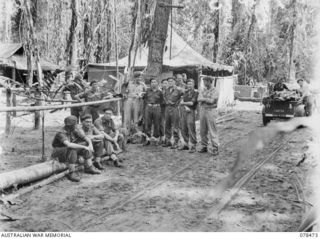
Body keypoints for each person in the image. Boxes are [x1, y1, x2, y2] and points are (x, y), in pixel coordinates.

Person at [51, 116, 101, 182]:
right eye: (72, 125)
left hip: (68, 151)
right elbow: (69, 144)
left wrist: (90, 145)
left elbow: (85, 137)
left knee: (86, 143)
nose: (74, 126)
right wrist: (84, 147)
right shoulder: (61, 133)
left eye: (74, 125)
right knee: (72, 148)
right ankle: (71, 172)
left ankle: (89, 167)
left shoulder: (74, 130)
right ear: (67, 125)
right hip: (58, 152)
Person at [198, 76, 219, 155]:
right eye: (204, 81)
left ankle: (215, 147)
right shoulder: (202, 90)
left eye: (206, 81)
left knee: (212, 129)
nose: (204, 83)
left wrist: (204, 99)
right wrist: (206, 99)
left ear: (210, 82)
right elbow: (199, 99)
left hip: (211, 110)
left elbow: (212, 101)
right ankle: (204, 146)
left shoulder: (215, 90)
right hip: (203, 110)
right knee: (202, 130)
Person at [123, 71, 147, 136]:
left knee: (136, 117)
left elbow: (146, 93)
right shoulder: (129, 83)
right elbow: (123, 90)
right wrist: (125, 95)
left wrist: (142, 94)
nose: (140, 78)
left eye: (141, 77)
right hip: (129, 100)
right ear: (135, 77)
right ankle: (127, 134)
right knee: (128, 117)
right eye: (139, 77)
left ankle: (136, 134)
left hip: (138, 101)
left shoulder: (143, 85)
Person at [163, 77, 183, 149]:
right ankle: (168, 141)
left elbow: (183, 97)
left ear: (174, 82)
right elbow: (164, 97)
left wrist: (177, 103)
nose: (170, 82)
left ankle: (176, 142)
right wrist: (166, 102)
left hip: (175, 108)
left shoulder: (179, 89)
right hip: (167, 108)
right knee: (167, 125)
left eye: (171, 81)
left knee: (175, 126)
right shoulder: (166, 90)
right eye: (169, 81)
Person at [179, 79, 198, 153]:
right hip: (184, 111)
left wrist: (184, 104)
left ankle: (193, 145)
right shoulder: (185, 92)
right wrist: (185, 105)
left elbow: (192, 103)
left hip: (191, 111)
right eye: (188, 84)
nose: (189, 85)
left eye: (191, 84)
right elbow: (181, 101)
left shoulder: (195, 93)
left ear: (193, 84)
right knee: (183, 127)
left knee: (191, 127)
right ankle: (186, 144)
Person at [143, 78, 164, 146]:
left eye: (155, 82)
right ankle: (148, 139)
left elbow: (162, 101)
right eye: (152, 82)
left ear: (157, 83)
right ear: (150, 83)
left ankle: (156, 139)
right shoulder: (147, 91)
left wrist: (158, 107)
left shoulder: (160, 92)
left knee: (157, 123)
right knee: (147, 123)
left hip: (157, 107)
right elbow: (145, 99)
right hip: (148, 107)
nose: (153, 83)